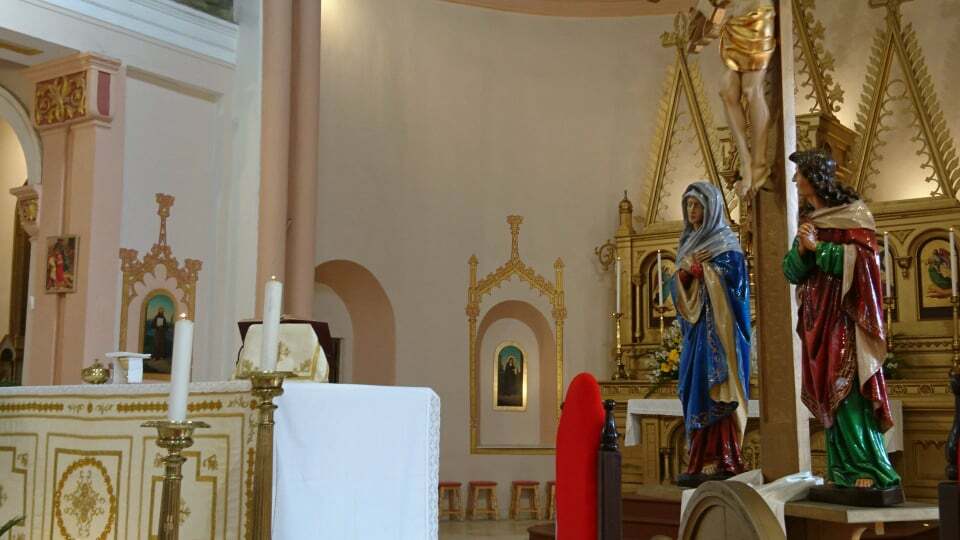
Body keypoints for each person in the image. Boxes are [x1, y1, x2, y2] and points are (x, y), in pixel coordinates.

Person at [782, 149, 901, 492]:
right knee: (829, 400)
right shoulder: (811, 221)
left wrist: (818, 249)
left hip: (845, 318)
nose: (796, 180)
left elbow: (865, 263)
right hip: (817, 321)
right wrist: (802, 250)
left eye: (801, 174)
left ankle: (869, 467)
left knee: (848, 393)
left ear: (815, 177)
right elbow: (791, 271)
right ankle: (842, 470)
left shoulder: (853, 216)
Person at [670, 181, 751, 486]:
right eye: (689, 205)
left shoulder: (726, 244)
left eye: (697, 205)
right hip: (695, 335)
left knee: (719, 390)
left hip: (720, 334)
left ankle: (724, 457)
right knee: (694, 389)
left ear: (711, 208)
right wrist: (684, 274)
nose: (692, 211)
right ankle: (699, 458)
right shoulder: (687, 244)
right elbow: (675, 291)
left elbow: (738, 288)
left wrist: (705, 272)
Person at [688, 0, 775, 197]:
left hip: (756, 12)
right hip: (732, 20)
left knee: (751, 89)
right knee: (727, 90)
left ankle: (759, 164)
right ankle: (745, 159)